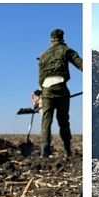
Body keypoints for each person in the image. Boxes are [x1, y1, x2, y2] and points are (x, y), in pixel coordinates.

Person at [37, 28, 83, 159]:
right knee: (63, 121)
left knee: (46, 121)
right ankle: (68, 152)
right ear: (62, 39)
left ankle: (44, 153)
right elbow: (81, 65)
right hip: (61, 88)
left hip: (46, 90)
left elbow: (40, 77)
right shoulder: (67, 50)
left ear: (51, 41)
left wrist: (42, 91)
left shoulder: (44, 55)